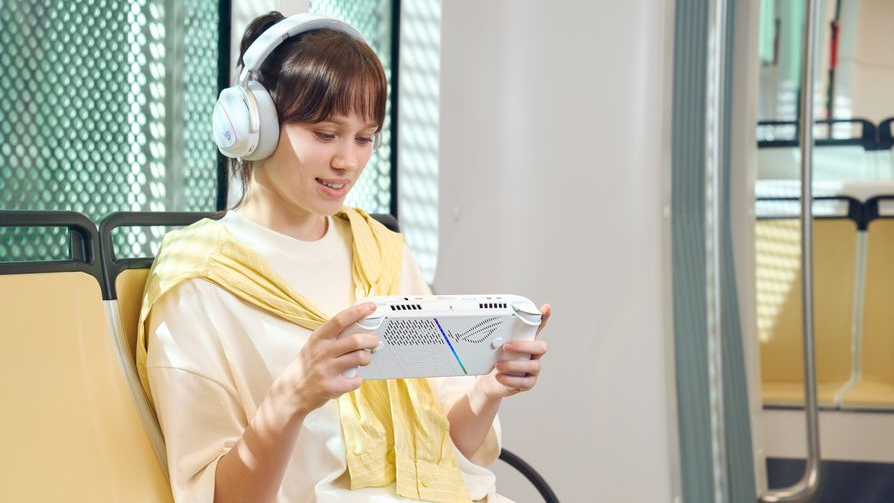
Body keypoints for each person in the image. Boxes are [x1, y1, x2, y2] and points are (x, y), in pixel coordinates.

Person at [137, 11, 550, 503]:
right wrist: (292, 396)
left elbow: (448, 448)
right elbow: (218, 497)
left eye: (364, 137)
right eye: (325, 134)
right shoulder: (200, 281)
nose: (347, 162)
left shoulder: (382, 252)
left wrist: (489, 387)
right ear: (253, 127)